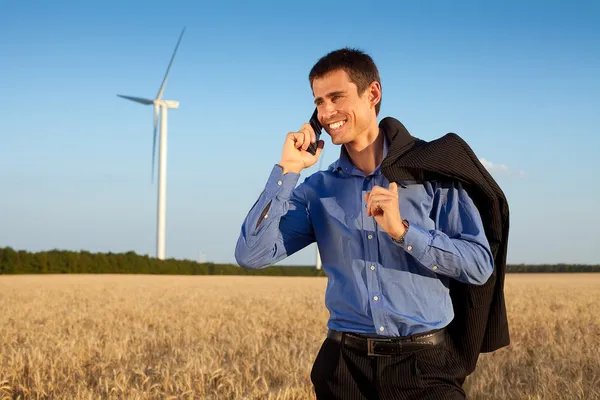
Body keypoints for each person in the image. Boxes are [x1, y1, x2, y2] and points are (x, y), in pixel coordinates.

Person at [235, 48, 510, 400]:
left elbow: (479, 266)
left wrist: (404, 232)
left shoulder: (432, 175)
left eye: (337, 97)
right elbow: (251, 254)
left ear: (373, 94)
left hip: (424, 370)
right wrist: (287, 170)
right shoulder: (317, 190)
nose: (326, 112)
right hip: (344, 370)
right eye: (319, 102)